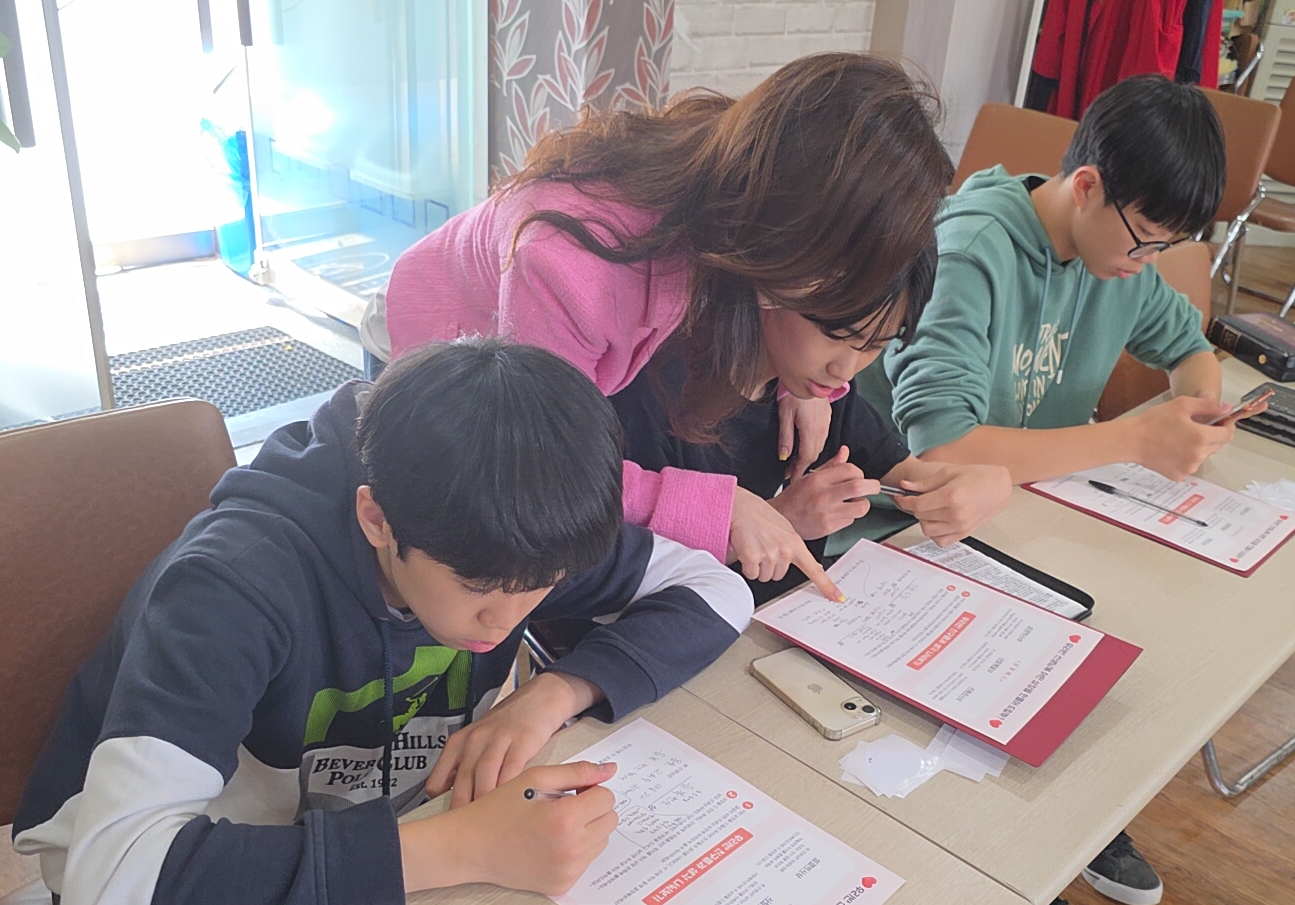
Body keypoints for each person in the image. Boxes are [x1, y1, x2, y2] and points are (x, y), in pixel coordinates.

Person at [12, 340, 754, 905]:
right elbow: (108, 901)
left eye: (545, 586)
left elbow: (717, 590)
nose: (506, 621)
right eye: (478, 589)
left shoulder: (517, 536)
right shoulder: (234, 586)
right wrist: (464, 847)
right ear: (376, 518)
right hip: (185, 897)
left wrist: (553, 693)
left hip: (369, 851)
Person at [856, 73, 1230, 905]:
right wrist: (1133, 439)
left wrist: (1200, 410)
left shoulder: (1117, 258)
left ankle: (1072, 822)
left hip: (1028, 513)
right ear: (1086, 186)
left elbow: (1189, 345)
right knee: (1025, 665)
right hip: (901, 529)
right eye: (1145, 241)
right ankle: (1021, 882)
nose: (1149, 263)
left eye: (1170, 247)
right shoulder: (975, 247)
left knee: (1126, 642)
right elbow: (939, 449)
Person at [381, 52, 955, 601]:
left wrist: (799, 383)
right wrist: (725, 509)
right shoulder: (573, 270)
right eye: (837, 317)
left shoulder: (744, 184)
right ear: (795, 237)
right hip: (444, 335)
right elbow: (552, 468)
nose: (846, 365)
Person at [610, 245, 1013, 604]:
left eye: (875, 345)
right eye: (835, 334)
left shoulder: (815, 392)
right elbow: (619, 571)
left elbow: (910, 476)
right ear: (777, 285)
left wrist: (982, 486)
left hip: (787, 622)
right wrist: (782, 517)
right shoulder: (656, 391)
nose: (846, 368)